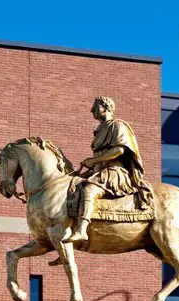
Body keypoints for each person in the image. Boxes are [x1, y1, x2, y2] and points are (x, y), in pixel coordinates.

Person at [63, 96, 152, 244]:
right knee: (73, 188)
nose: (92, 110)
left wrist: (93, 161)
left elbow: (118, 150)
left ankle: (82, 229)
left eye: (95, 107)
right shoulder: (99, 130)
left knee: (89, 190)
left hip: (115, 173)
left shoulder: (117, 125)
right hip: (99, 172)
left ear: (105, 107)